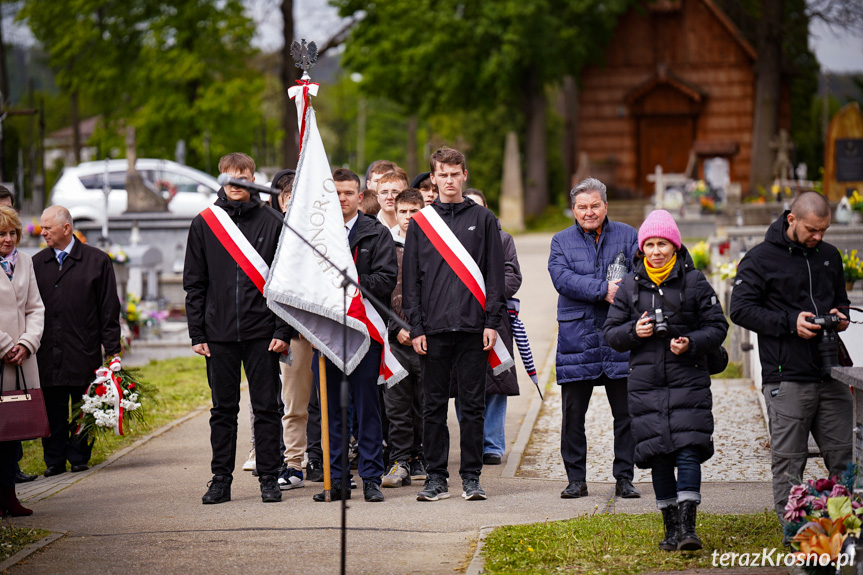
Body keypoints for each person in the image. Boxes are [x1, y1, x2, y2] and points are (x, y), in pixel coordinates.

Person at [603, 209, 728, 551]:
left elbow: (718, 327)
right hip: (645, 386)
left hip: (688, 381)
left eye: (663, 244)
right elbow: (611, 333)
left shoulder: (695, 282)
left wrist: (691, 343)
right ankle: (670, 530)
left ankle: (689, 528)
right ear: (642, 248)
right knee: (658, 456)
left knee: (687, 452)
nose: (656, 251)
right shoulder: (629, 286)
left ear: (675, 246)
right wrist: (634, 330)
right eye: (651, 244)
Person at [729, 191, 852, 528]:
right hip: (787, 376)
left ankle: (843, 525)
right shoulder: (759, 259)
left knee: (846, 455)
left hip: (833, 372)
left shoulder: (829, 255)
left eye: (824, 230)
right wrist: (789, 323)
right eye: (812, 230)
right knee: (789, 461)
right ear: (791, 219)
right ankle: (795, 530)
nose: (818, 237)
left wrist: (840, 316)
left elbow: (840, 300)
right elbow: (739, 309)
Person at [184, 152, 292, 504]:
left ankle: (270, 477)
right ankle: (220, 479)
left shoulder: (273, 221)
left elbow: (284, 282)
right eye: (229, 176)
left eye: (242, 175)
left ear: (252, 178)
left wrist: (282, 330)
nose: (235, 182)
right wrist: (197, 334)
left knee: (267, 407)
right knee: (222, 409)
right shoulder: (204, 223)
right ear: (221, 179)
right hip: (218, 334)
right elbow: (194, 283)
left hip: (263, 332)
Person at [402, 147, 506, 502]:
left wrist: (491, 322)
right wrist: (416, 327)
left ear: (465, 175)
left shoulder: (484, 220)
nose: (448, 180)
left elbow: (495, 275)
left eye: (454, 173)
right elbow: (411, 279)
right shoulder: (421, 223)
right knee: (433, 406)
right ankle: (436, 477)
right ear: (433, 177)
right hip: (432, 330)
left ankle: (472, 476)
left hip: (473, 329)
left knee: (473, 404)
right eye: (442, 174)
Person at [547, 178, 641, 500]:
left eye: (595, 206)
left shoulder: (629, 235)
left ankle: (624, 478)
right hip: (578, 338)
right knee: (573, 415)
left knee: (626, 414)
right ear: (574, 209)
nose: (589, 212)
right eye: (582, 207)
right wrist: (604, 290)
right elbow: (562, 278)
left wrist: (621, 291)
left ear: (605, 206)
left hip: (620, 335)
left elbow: (640, 274)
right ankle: (576, 479)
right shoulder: (560, 241)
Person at [311, 168, 397, 503]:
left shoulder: (375, 233)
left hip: (365, 331)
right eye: (335, 193)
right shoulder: (316, 234)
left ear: (360, 197)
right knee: (333, 409)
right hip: (329, 331)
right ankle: (337, 480)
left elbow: (386, 279)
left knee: (367, 408)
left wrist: (348, 287)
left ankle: (372, 478)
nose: (342, 199)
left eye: (348, 193)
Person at [34, 205, 121, 477]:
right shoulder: (36, 263)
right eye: (42, 227)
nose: (43, 232)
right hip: (47, 350)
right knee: (52, 406)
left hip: (83, 348)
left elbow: (108, 309)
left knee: (84, 405)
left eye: (48, 227)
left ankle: (80, 456)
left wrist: (113, 351)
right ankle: (54, 461)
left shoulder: (97, 261)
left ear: (66, 229)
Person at [462, 188, 522, 466]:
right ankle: (470, 442)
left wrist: (484, 295)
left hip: (494, 318)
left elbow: (512, 277)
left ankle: (493, 444)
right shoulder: (452, 240)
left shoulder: (502, 239)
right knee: (463, 383)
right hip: (460, 320)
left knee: (496, 382)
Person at [0, 206, 44, 516]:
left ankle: (8, 496)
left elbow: (35, 308)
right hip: (1, 356)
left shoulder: (25, 261)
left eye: (12, 233)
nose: (8, 239)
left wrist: (27, 343)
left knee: (13, 433)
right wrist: (4, 345)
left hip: (21, 358)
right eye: (2, 234)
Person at [381, 188, 426, 488]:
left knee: (424, 402)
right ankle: (398, 459)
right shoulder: (385, 244)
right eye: (404, 212)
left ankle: (419, 457)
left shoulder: (434, 245)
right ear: (395, 214)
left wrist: (421, 329)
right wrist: (395, 327)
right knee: (396, 404)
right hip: (395, 339)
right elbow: (378, 294)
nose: (409, 218)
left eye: (414, 211)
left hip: (426, 338)